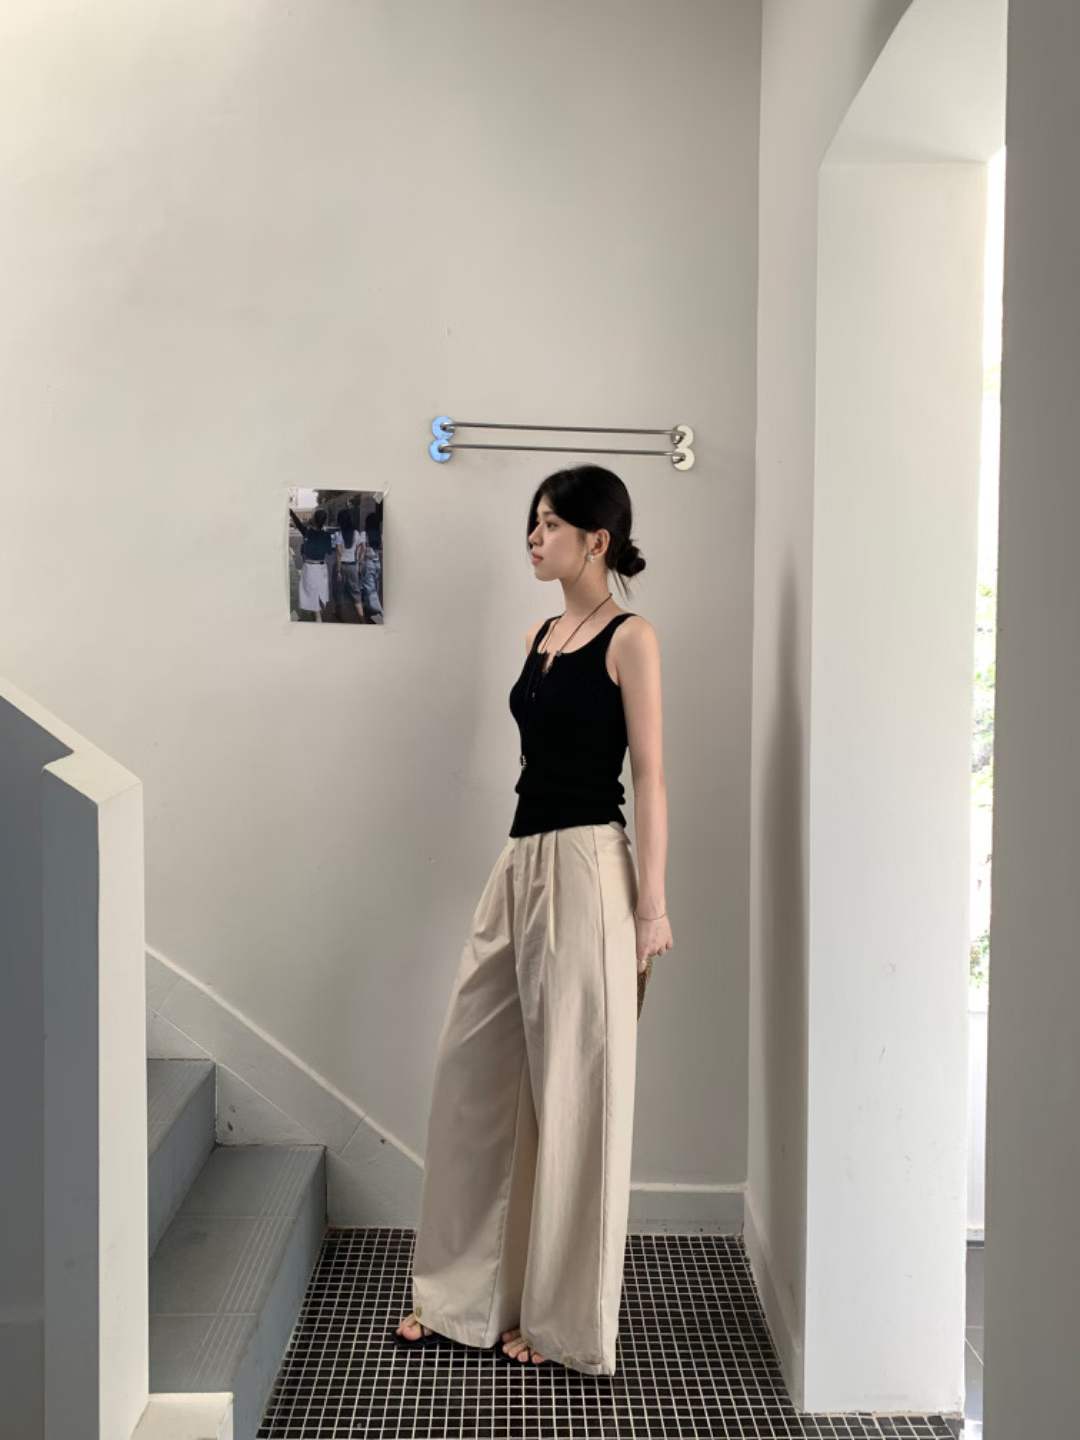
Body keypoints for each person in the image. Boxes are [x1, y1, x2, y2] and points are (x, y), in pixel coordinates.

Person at [392, 463, 673, 1376]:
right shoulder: (539, 635)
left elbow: (651, 779)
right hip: (520, 862)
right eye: (533, 522)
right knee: (476, 1072)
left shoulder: (632, 639)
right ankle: (463, 1294)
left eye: (550, 524)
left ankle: (562, 1325)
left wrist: (652, 905)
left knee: (578, 1097)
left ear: (597, 539)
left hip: (591, 866)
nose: (534, 537)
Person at [290, 507, 334, 622]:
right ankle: (318, 616)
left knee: (313, 596)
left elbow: (298, 523)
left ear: (314, 519)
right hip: (322, 568)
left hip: (309, 568)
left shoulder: (307, 532)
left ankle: (318, 618)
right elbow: (329, 551)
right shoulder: (326, 535)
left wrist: (291, 512)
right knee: (321, 595)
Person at [335, 505, 366, 622]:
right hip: (353, 566)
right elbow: (362, 548)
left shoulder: (339, 535)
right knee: (356, 593)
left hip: (342, 566)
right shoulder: (356, 533)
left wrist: (338, 571)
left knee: (339, 592)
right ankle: (362, 619)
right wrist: (359, 562)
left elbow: (338, 554)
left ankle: (340, 616)